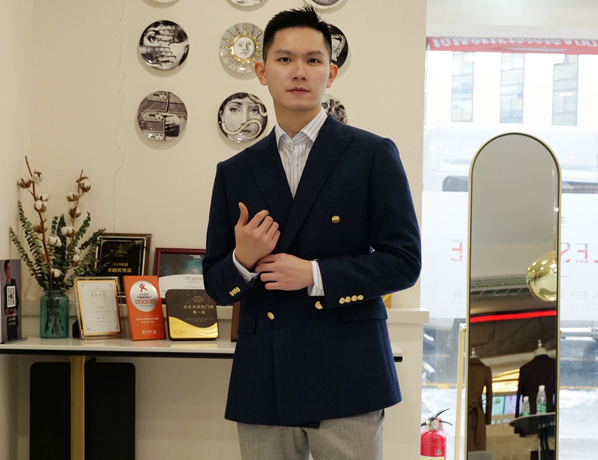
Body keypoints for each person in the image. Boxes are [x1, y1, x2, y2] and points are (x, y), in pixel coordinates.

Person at [203, 6, 421, 460]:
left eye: (313, 59)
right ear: (262, 72)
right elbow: (217, 288)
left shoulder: (372, 154)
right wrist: (242, 260)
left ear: (331, 73)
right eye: (284, 59)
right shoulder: (235, 171)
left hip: (349, 370)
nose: (299, 71)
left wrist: (315, 274)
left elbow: (404, 262)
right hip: (264, 375)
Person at [3, 260, 20, 341]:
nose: (9, 271)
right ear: (5, 271)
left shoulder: (13, 282)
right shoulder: (4, 287)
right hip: (8, 319)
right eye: (8, 268)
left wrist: (15, 310)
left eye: (10, 268)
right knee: (9, 338)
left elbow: (17, 299)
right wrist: (5, 310)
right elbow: (5, 303)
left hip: (14, 317)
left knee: (15, 338)